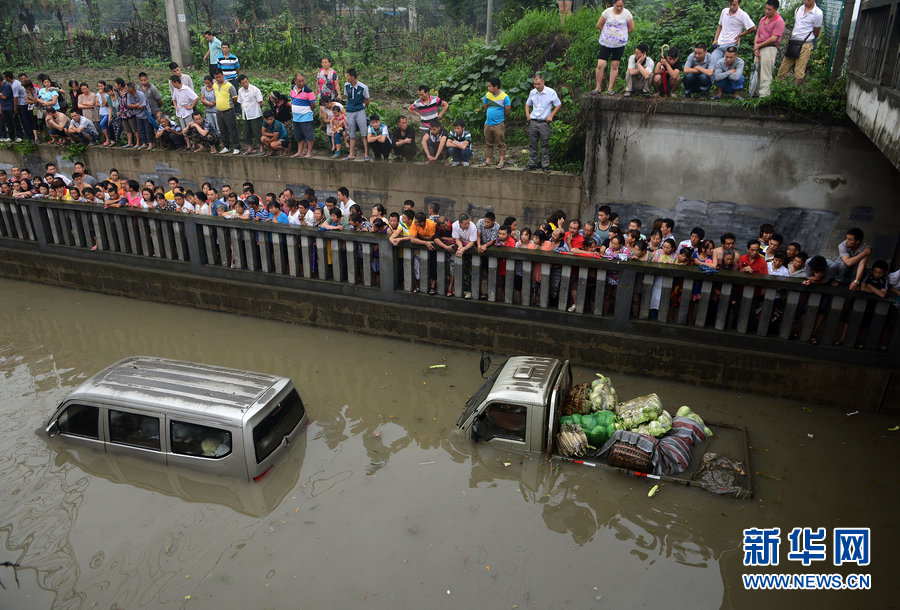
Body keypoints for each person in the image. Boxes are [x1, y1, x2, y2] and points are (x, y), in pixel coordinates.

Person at [777, 0, 823, 84]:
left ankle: (795, 93)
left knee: (799, 72)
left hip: (806, 44)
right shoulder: (798, 9)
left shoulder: (818, 13)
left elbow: (816, 32)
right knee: (783, 69)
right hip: (793, 42)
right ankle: (778, 90)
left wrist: (807, 39)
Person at [594, 0, 634, 94]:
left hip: (619, 45)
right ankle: (598, 88)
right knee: (600, 65)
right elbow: (599, 25)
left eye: (621, 6)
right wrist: (607, 33)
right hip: (606, 43)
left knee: (615, 66)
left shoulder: (627, 14)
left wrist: (621, 34)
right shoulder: (607, 12)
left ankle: (610, 89)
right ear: (613, 4)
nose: (619, 8)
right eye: (617, 6)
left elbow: (631, 28)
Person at [524, 73, 562, 171]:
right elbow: (527, 104)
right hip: (533, 121)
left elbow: (558, 104)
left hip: (544, 122)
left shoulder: (550, 92)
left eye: (538, 84)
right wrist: (528, 115)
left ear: (543, 82)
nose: (536, 86)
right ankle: (532, 163)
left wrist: (551, 115)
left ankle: (545, 165)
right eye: (535, 84)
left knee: (545, 144)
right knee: (533, 144)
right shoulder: (532, 92)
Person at [710, 0, 756, 67]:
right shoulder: (724, 11)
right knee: (712, 64)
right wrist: (715, 39)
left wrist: (740, 35)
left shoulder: (742, 14)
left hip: (732, 45)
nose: (732, 7)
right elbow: (720, 26)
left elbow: (753, 28)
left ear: (739, 4)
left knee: (725, 67)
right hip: (719, 44)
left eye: (734, 5)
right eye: (730, 4)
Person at [754, 0, 785, 97]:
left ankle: (764, 96)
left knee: (766, 73)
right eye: (766, 8)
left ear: (775, 9)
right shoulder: (763, 19)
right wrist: (756, 47)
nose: (766, 11)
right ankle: (755, 93)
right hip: (759, 48)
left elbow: (774, 38)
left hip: (770, 48)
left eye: (769, 10)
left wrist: (759, 45)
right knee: (756, 71)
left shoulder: (779, 21)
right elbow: (757, 33)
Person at [481, 77, 510, 168]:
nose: (488, 88)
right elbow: (485, 106)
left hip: (499, 124)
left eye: (489, 86)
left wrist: (501, 118)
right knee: (488, 142)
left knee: (500, 143)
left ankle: (501, 161)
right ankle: (488, 159)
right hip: (488, 123)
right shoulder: (487, 95)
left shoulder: (505, 97)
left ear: (496, 86)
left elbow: (507, 110)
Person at [343, 68, 370, 161]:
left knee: (364, 133)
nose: (346, 78)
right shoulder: (346, 85)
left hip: (360, 111)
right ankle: (351, 154)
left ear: (353, 77)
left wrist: (362, 106)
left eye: (348, 76)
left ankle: (366, 154)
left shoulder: (363, 87)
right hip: (350, 111)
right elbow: (347, 96)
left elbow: (367, 100)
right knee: (351, 133)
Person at [212, 69, 240, 155]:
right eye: (216, 77)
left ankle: (236, 147)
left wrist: (230, 105)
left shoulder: (229, 86)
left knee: (232, 129)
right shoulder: (215, 85)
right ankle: (226, 146)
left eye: (219, 77)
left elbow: (235, 98)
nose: (218, 79)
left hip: (229, 111)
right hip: (219, 111)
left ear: (223, 76)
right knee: (222, 130)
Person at [289, 73, 317, 158]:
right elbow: (292, 100)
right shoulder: (292, 89)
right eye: (299, 81)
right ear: (295, 81)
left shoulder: (308, 91)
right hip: (296, 118)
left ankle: (309, 152)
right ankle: (299, 152)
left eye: (302, 81)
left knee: (309, 135)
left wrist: (307, 111)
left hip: (306, 117)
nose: (301, 83)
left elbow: (313, 105)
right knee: (299, 136)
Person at [237, 75, 263, 154]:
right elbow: (240, 101)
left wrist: (256, 109)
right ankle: (250, 148)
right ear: (240, 84)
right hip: (245, 115)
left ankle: (261, 147)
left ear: (248, 80)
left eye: (246, 82)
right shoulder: (240, 90)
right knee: (246, 132)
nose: (245, 84)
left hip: (255, 114)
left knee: (257, 131)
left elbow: (261, 102)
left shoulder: (255, 89)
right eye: (243, 83)